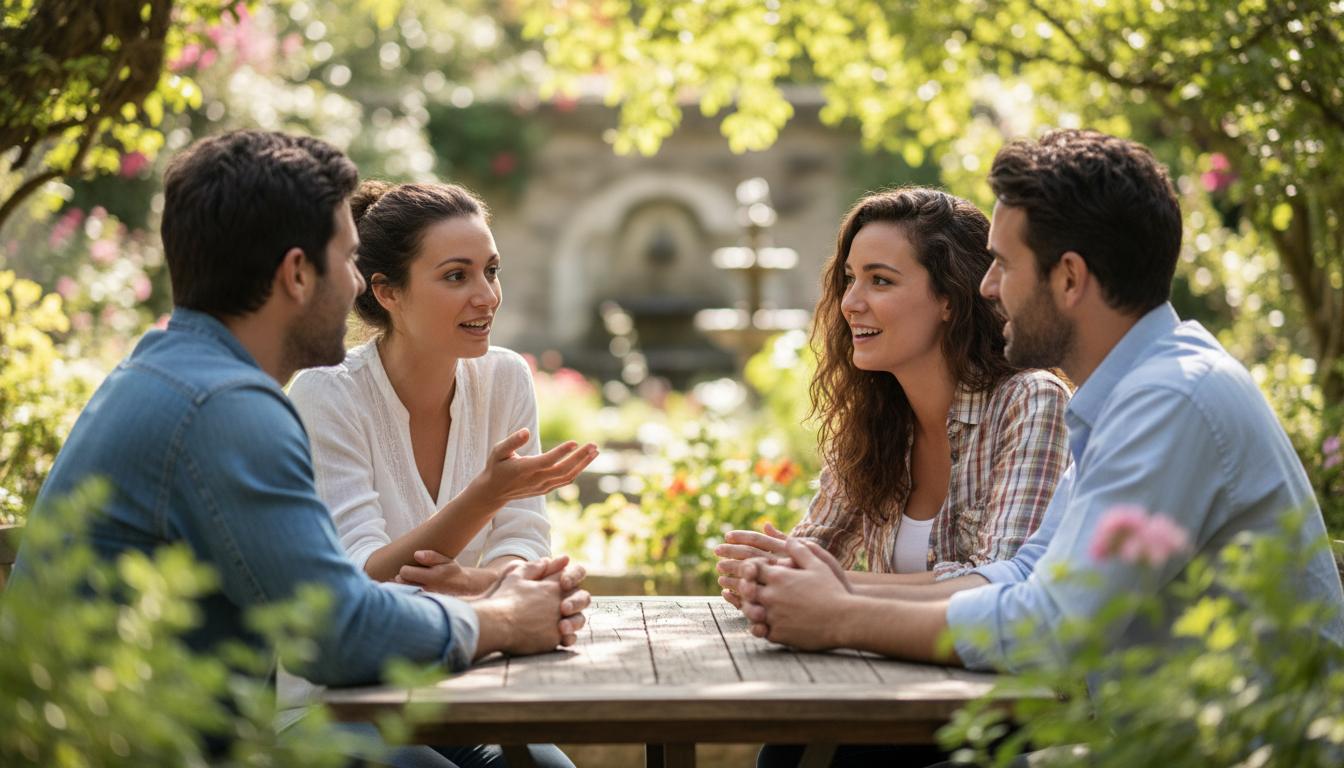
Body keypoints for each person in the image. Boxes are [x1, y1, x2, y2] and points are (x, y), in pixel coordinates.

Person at [9, 130, 588, 768]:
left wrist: (488, 595)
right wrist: (501, 619)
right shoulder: (225, 407)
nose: (355, 288)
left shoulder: (181, 373)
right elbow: (334, 632)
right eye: (346, 260)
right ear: (296, 274)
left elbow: (334, 600)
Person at [735, 130, 1344, 678]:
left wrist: (842, 617)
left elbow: (1053, 628)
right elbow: (1021, 577)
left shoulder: (1170, 399)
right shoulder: (1127, 396)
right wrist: (831, 591)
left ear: (1070, 278)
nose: (986, 287)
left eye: (1003, 263)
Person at [715, 188, 1070, 601]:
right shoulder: (877, 418)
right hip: (886, 665)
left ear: (950, 300)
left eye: (880, 280)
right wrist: (767, 572)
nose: (849, 302)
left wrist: (822, 582)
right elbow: (814, 554)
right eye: (851, 278)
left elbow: (1004, 586)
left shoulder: (1030, 402)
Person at [287, 179, 597, 595]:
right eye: (456, 276)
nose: (487, 297)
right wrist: (484, 499)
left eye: (491, 271)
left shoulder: (505, 377)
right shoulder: (327, 394)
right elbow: (358, 578)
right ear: (387, 292)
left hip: (475, 647)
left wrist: (470, 582)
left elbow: (522, 542)